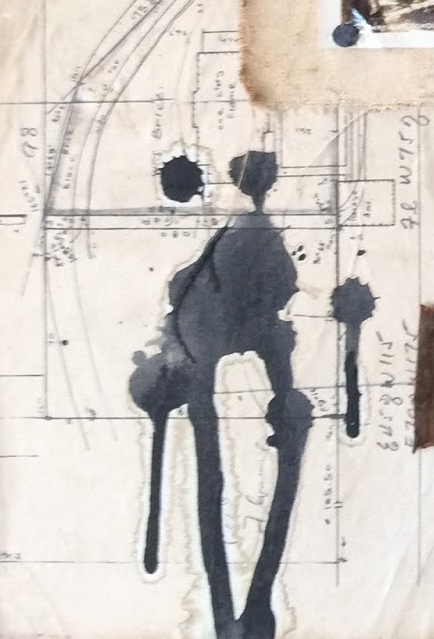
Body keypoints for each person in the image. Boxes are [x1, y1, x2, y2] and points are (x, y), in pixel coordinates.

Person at [130, 150, 312, 639]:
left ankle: (244, 609)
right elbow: (280, 285)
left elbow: (274, 287)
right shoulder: (249, 232)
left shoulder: (242, 232)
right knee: (217, 443)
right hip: (210, 334)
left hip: (214, 332)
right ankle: (241, 610)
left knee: (219, 444)